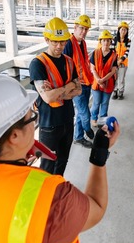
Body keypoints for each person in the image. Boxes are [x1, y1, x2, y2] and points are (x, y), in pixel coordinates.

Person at [0, 73, 121, 243]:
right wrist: (99, 153)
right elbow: (96, 208)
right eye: (31, 117)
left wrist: (17, 153)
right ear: (13, 136)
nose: (34, 121)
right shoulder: (52, 198)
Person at [29, 17, 81, 175]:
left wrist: (60, 91)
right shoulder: (38, 64)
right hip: (49, 124)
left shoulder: (69, 61)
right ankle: (46, 197)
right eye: (55, 42)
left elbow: (79, 89)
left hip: (67, 120)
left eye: (63, 42)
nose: (60, 46)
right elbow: (48, 98)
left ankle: (57, 191)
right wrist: (68, 87)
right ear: (46, 40)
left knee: (62, 161)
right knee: (47, 165)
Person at [63, 14, 94, 148]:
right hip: (77, 85)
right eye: (81, 28)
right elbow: (65, 66)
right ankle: (86, 129)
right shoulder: (69, 43)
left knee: (82, 112)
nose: (84, 31)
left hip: (86, 82)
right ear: (75, 27)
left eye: (86, 29)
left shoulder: (83, 43)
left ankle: (78, 136)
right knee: (84, 111)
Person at [90, 30, 118, 126]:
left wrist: (103, 80)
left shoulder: (114, 55)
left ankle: (102, 121)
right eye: (104, 40)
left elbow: (113, 70)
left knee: (105, 103)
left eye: (108, 40)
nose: (106, 42)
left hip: (108, 83)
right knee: (96, 102)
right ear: (100, 41)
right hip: (96, 83)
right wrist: (98, 80)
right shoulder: (95, 53)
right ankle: (94, 118)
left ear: (110, 42)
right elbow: (92, 68)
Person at [112, 21, 131, 100]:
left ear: (127, 31)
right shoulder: (114, 40)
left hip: (123, 63)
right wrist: (116, 61)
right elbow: (112, 51)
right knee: (114, 77)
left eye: (125, 30)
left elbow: (127, 53)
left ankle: (121, 92)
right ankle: (115, 91)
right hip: (114, 62)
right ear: (119, 30)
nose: (123, 31)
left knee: (121, 78)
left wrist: (120, 61)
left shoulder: (128, 41)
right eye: (122, 29)